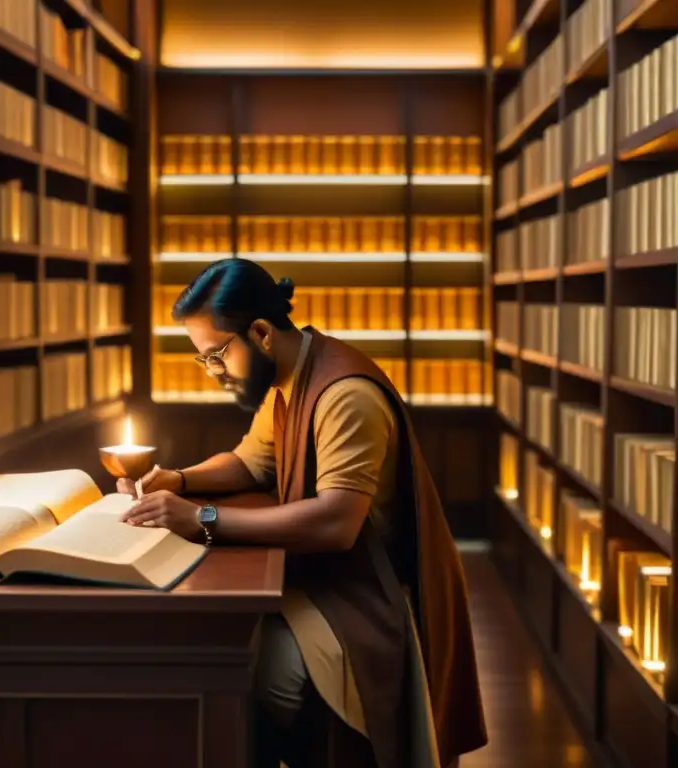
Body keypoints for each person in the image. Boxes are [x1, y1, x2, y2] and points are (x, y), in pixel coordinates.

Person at [118, 259, 487, 768]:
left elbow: (337, 524)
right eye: (204, 361)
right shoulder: (290, 378)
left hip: (367, 596)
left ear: (262, 333)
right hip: (327, 579)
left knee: (250, 671)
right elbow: (251, 463)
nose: (215, 374)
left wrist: (203, 519)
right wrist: (178, 479)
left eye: (217, 356)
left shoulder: (344, 394)